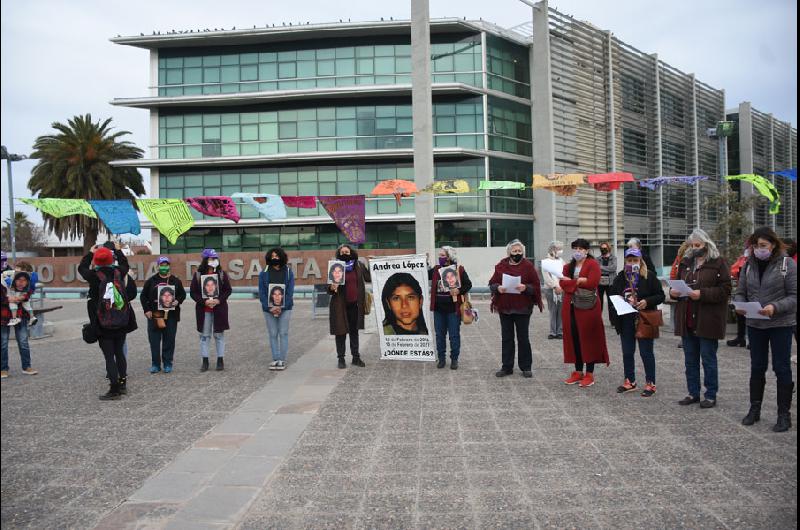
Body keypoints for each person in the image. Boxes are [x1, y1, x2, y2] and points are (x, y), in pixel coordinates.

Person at [735, 227, 797, 432]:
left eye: (763, 246)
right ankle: (754, 409)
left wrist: (775, 307)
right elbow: (741, 292)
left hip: (780, 324)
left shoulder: (787, 264)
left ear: (773, 245)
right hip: (755, 324)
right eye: (755, 246)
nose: (759, 249)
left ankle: (783, 415)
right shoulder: (748, 266)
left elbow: (794, 296)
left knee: (781, 368)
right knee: (757, 366)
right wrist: (741, 306)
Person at [670, 228, 730, 409]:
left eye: (698, 245)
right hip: (687, 317)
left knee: (708, 359)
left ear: (706, 244)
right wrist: (674, 293)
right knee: (690, 360)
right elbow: (678, 282)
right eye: (693, 245)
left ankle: (710, 395)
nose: (695, 248)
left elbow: (725, 289)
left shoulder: (718, 263)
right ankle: (692, 392)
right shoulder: (686, 262)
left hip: (707, 319)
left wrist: (701, 294)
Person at [78, 245, 136, 400]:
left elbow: (81, 268)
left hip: (103, 323)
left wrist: (90, 252)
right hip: (121, 321)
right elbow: (125, 263)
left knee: (109, 356)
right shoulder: (119, 272)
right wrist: (118, 250)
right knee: (119, 353)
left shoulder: (93, 275)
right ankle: (123, 383)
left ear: (96, 261)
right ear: (112, 260)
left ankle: (114, 389)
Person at [609, 248, 665, 397]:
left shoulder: (649, 276)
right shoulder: (621, 277)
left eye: (635, 260)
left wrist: (647, 301)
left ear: (640, 261)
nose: (632, 263)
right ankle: (630, 380)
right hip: (626, 319)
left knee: (646, 352)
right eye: (629, 260)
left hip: (644, 318)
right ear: (625, 261)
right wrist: (620, 300)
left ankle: (650, 383)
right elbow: (612, 294)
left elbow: (660, 295)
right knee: (627, 352)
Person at [489, 239, 543, 378]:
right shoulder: (501, 265)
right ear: (509, 252)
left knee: (523, 338)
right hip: (505, 308)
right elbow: (492, 283)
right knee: (507, 338)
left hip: (523, 308)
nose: (517, 253)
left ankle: (526, 367)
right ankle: (507, 367)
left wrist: (526, 287)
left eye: (519, 251)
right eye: (514, 251)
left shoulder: (528, 266)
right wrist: (498, 288)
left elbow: (536, 286)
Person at [561, 238, 610, 388]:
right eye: (575, 248)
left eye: (581, 249)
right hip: (570, 306)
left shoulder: (592, 264)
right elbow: (562, 282)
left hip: (588, 307)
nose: (578, 251)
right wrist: (579, 281)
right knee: (573, 337)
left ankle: (589, 373)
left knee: (588, 338)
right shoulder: (569, 266)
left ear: (587, 251)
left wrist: (573, 282)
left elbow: (592, 283)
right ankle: (577, 371)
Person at [140, 256, 186, 374]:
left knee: (169, 339)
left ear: (169, 266)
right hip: (155, 313)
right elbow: (143, 296)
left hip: (171, 315)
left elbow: (182, 294)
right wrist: (147, 310)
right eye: (162, 264)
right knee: (154, 340)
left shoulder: (175, 281)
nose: (164, 267)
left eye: (166, 265)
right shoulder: (151, 281)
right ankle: (155, 364)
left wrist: (177, 301)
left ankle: (167, 363)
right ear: (158, 266)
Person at [429, 246, 472, 370]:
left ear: (449, 257)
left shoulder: (459, 269)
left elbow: (468, 284)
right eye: (439, 255)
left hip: (453, 309)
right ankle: (441, 359)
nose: (440, 258)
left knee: (454, 335)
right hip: (438, 309)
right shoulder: (436, 269)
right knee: (439, 335)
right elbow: (423, 272)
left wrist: (458, 290)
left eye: (443, 255)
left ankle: (454, 359)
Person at [329, 244, 371, 368]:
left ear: (351, 252)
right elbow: (329, 288)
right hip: (339, 306)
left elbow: (369, 278)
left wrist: (372, 263)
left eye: (347, 252)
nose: (345, 254)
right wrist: (332, 287)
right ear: (338, 254)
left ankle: (356, 357)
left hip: (355, 305)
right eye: (342, 252)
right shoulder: (335, 266)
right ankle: (341, 359)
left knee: (354, 332)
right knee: (340, 332)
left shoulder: (358, 265)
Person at [190, 248, 232, 372]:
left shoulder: (222, 274)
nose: (213, 261)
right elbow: (193, 292)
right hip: (204, 310)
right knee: (204, 336)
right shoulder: (198, 275)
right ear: (205, 260)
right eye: (210, 259)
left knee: (219, 335)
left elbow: (228, 290)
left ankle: (220, 360)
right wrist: (204, 302)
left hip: (219, 309)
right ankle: (205, 360)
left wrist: (218, 300)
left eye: (215, 258)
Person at [259, 248, 295, 371]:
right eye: (272, 256)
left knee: (283, 333)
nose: (275, 258)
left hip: (285, 308)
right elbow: (262, 293)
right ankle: (275, 359)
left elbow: (290, 293)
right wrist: (270, 307)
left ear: (282, 257)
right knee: (273, 334)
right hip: (268, 309)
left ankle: (282, 360)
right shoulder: (264, 272)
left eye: (277, 256)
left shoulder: (289, 272)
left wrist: (281, 306)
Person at [1, 281, 37, 378]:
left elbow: (29, 290)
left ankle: (26, 367)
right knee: (3, 343)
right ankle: (3, 369)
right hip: (3, 314)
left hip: (20, 314)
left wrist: (21, 297)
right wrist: (8, 299)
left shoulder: (14, 273)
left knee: (23, 341)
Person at [727, 245, 751, 348]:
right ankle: (740, 338)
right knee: (740, 314)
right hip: (743, 289)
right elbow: (733, 270)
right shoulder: (744, 259)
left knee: (752, 315)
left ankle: (751, 340)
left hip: (755, 292)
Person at [541, 241, 565, 340]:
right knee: (552, 310)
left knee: (560, 310)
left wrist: (562, 286)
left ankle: (559, 331)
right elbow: (546, 277)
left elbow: (565, 273)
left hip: (561, 289)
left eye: (561, 249)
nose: (560, 251)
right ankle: (552, 332)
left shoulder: (561, 261)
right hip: (550, 289)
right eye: (558, 249)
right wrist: (555, 286)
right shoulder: (545, 261)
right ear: (552, 250)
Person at [597, 241, 617, 313]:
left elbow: (613, 268)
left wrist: (601, 267)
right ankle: (599, 320)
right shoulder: (597, 259)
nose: (603, 250)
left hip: (610, 283)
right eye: (602, 248)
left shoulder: (614, 258)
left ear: (609, 248)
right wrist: (608, 269)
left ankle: (612, 320)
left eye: (605, 248)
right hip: (600, 282)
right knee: (599, 302)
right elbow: (596, 269)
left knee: (611, 302)